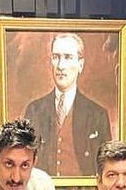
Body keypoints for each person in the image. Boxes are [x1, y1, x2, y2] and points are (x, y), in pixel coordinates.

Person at [23, 33, 112, 177]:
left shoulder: (97, 114)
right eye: (56, 57)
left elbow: (106, 168)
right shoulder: (34, 110)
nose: (60, 66)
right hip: (43, 189)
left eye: (68, 57)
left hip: (85, 189)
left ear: (80, 64)